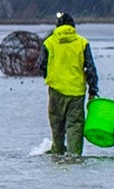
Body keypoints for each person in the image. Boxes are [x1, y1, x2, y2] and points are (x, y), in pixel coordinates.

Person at [38, 12, 99, 155]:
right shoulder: (82, 43)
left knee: (57, 123)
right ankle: (74, 155)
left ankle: (58, 152)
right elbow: (90, 68)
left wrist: (50, 77)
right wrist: (93, 90)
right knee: (75, 125)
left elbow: (41, 64)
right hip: (76, 91)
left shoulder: (49, 42)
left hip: (55, 90)